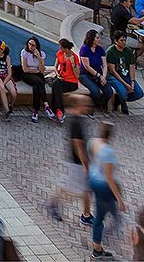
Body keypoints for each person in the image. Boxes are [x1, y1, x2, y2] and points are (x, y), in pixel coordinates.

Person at [45, 93, 92, 225]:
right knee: (79, 189)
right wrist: (85, 165)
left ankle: (86, 214)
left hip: (77, 162)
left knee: (81, 188)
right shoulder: (76, 122)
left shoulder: (78, 118)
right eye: (86, 105)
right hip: (77, 162)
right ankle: (53, 203)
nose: (89, 107)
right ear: (79, 106)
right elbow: (78, 146)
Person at [87, 120, 124, 259]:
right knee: (100, 215)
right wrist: (120, 200)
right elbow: (109, 178)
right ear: (111, 135)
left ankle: (113, 214)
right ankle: (97, 248)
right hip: (102, 185)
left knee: (101, 208)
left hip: (93, 179)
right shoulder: (108, 152)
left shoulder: (93, 142)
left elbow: (90, 155)